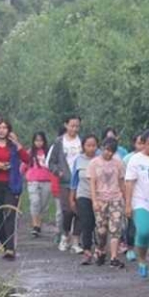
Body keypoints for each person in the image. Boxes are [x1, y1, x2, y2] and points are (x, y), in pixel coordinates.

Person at [0, 119, 30, 260]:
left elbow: (27, 159)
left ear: (9, 130)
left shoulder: (13, 146)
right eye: (0, 127)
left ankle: (10, 249)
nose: (2, 130)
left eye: (5, 127)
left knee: (9, 216)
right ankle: (5, 244)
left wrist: (17, 143)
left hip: (11, 184)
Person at [125, 128, 149, 280]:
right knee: (144, 230)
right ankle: (141, 260)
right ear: (143, 144)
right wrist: (128, 204)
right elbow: (129, 182)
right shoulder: (136, 159)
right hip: (140, 201)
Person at [89, 137, 127, 268]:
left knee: (115, 228)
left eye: (112, 151)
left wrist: (126, 200)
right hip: (100, 199)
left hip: (116, 198)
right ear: (102, 148)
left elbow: (122, 182)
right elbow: (92, 183)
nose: (108, 153)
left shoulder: (118, 163)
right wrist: (94, 200)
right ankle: (101, 250)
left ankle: (114, 257)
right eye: (106, 150)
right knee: (102, 230)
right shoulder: (94, 163)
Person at [48, 115, 84, 254]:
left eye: (77, 126)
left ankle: (76, 240)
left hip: (81, 182)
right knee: (67, 210)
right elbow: (51, 162)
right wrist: (59, 172)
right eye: (72, 125)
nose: (74, 128)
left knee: (80, 211)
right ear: (66, 125)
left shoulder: (82, 141)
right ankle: (65, 235)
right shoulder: (59, 142)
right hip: (65, 182)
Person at [70, 134, 99, 265]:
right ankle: (87, 251)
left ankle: (100, 249)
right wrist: (72, 197)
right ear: (83, 147)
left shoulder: (101, 159)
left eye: (94, 145)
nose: (91, 148)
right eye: (88, 145)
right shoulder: (79, 160)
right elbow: (74, 180)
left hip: (100, 195)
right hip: (83, 194)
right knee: (86, 222)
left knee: (98, 223)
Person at [25, 131, 54, 237]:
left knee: (43, 204)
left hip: (46, 180)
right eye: (36, 140)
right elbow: (23, 165)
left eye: (41, 140)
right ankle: (35, 225)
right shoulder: (30, 152)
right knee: (35, 201)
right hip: (33, 180)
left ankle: (39, 222)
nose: (39, 143)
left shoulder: (48, 152)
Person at [122, 132, 145, 262]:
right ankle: (130, 247)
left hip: (148, 195)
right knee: (131, 224)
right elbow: (125, 180)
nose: (142, 146)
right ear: (134, 144)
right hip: (133, 194)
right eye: (139, 143)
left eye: (144, 143)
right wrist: (126, 198)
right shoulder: (128, 159)